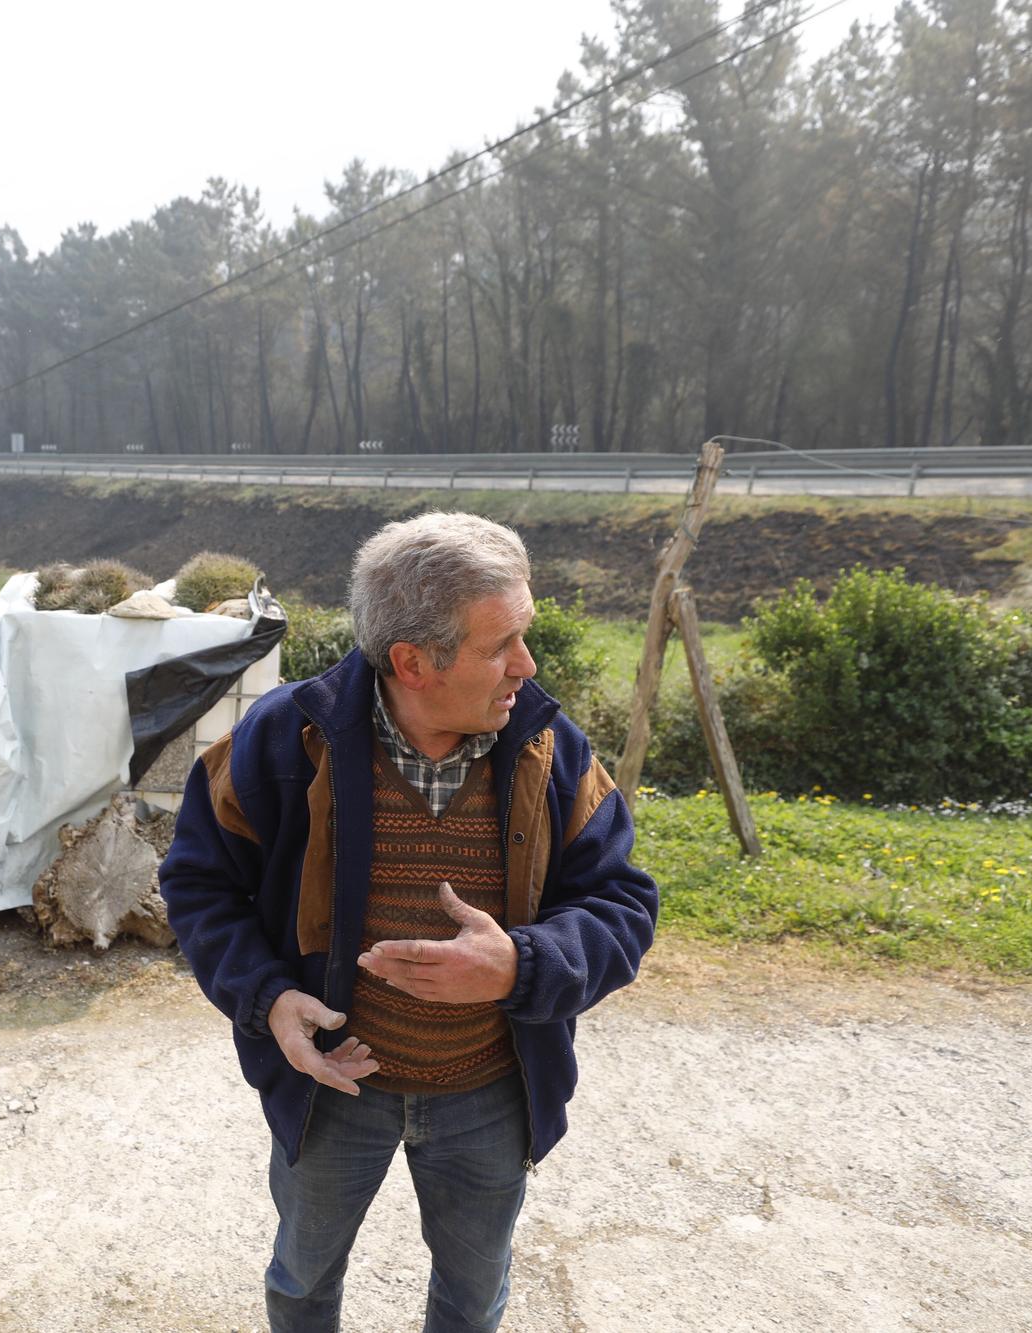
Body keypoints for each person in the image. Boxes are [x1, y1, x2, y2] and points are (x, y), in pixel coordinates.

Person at [159, 512, 658, 1332]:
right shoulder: (285, 739)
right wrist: (267, 998)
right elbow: (198, 881)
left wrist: (520, 966)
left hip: (489, 1096)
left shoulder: (550, 749)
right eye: (501, 645)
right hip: (332, 1089)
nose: (526, 667)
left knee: (472, 1297)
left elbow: (622, 903)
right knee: (301, 1280)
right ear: (412, 663)